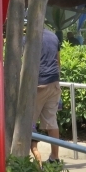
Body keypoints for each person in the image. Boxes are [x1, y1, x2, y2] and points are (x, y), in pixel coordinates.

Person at [30, 24, 63, 164]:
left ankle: (35, 158)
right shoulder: (53, 36)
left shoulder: (30, 37)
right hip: (54, 82)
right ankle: (54, 157)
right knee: (51, 122)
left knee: (28, 122)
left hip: (38, 85)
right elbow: (58, 62)